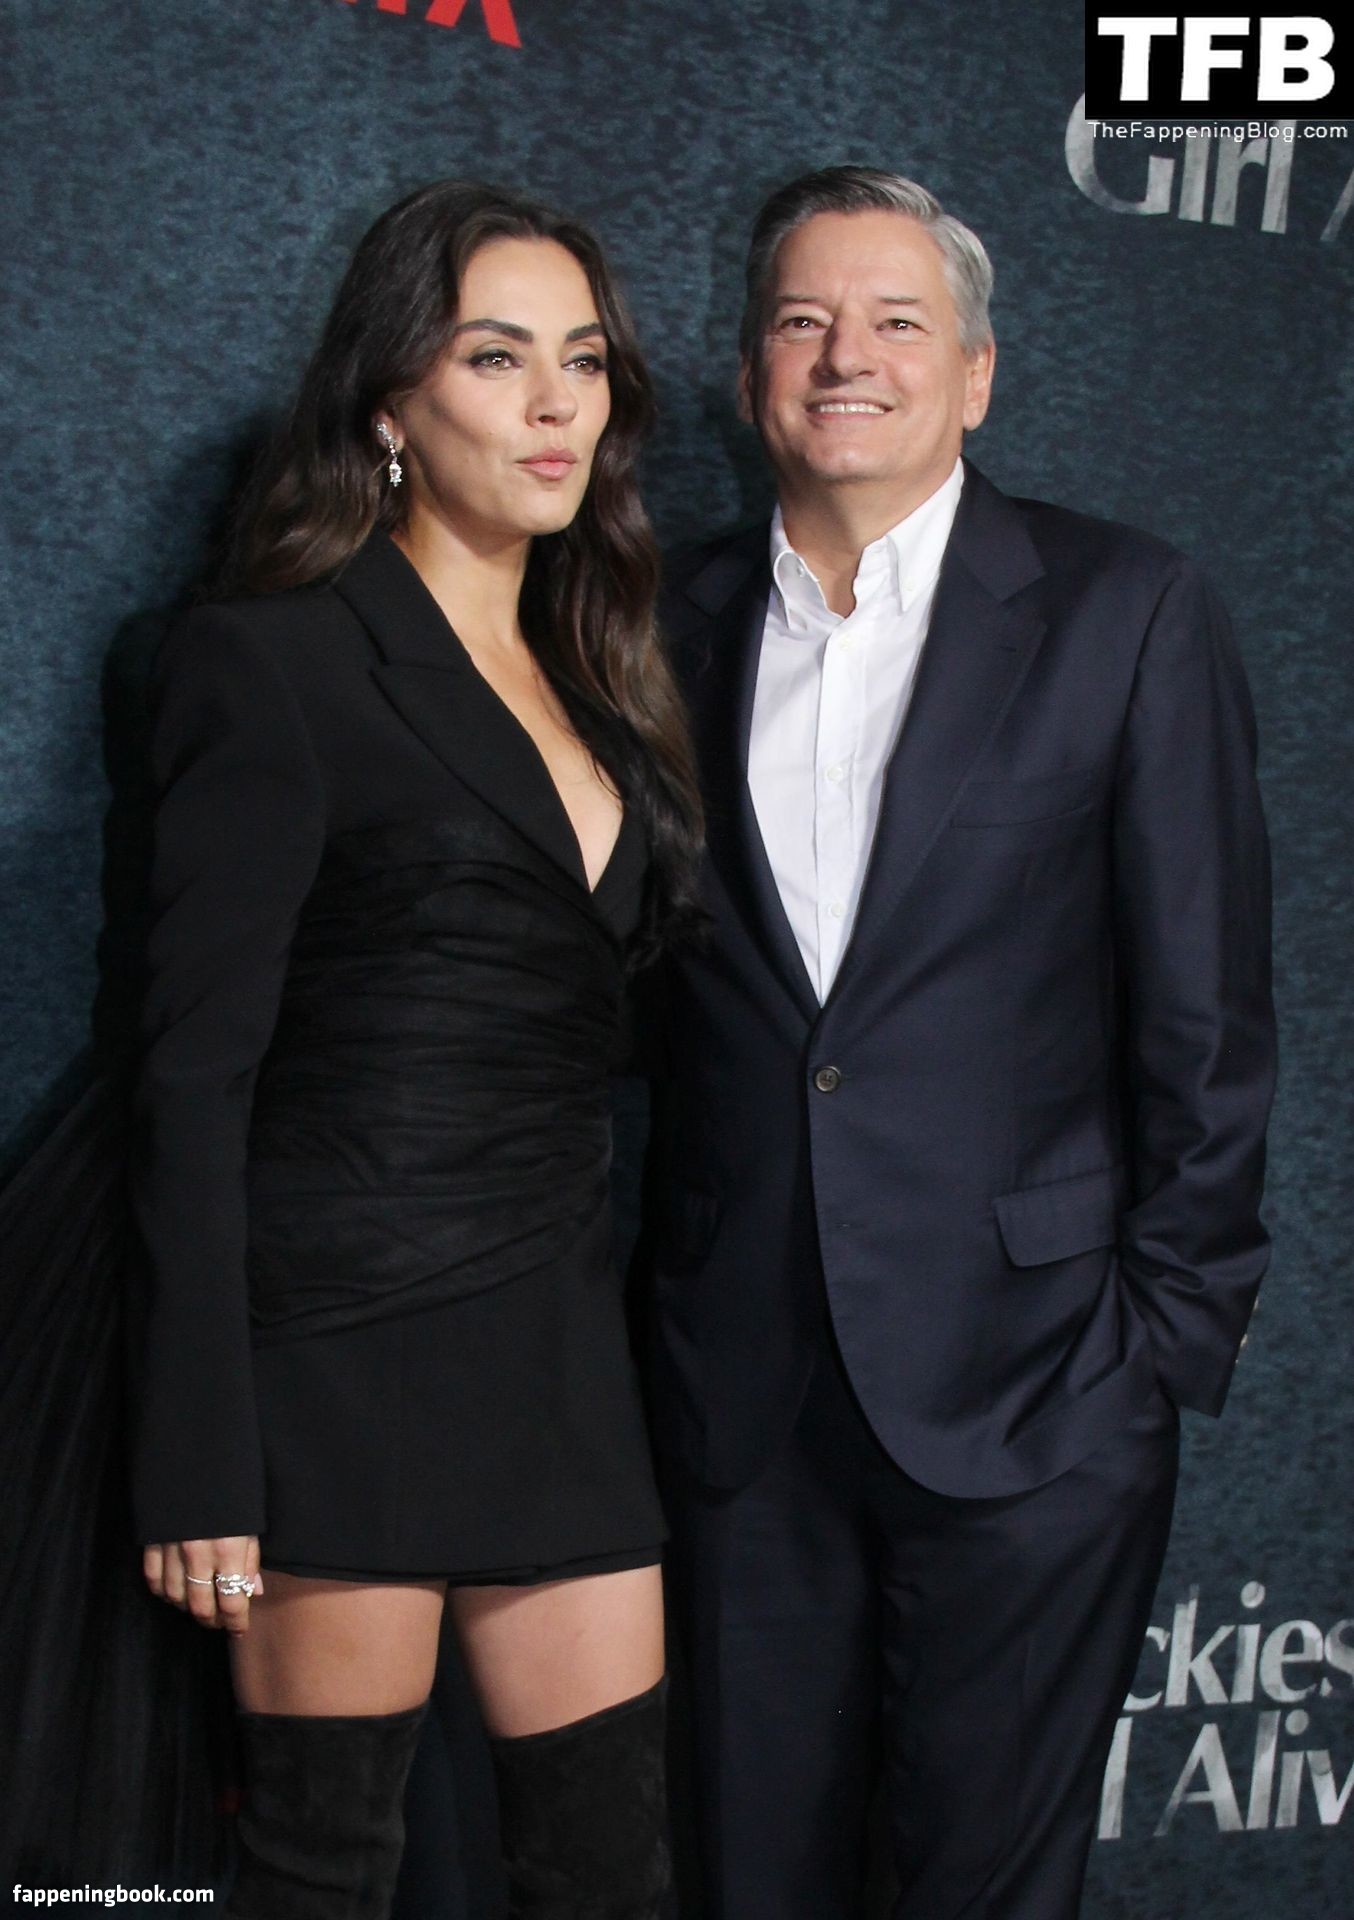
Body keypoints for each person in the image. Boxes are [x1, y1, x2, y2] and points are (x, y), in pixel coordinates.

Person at [649, 166, 1275, 1919]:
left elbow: (1208, 1018)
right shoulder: (648, 624)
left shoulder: (1123, 609)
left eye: (895, 321)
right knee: (744, 1883)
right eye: (801, 321)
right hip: (738, 1399)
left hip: (1040, 1392)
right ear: (750, 371)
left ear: (976, 374)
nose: (845, 357)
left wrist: (1155, 1346)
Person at [125, 179, 700, 1916]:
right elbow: (190, 1077)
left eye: (582, 361)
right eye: (494, 357)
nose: (552, 405)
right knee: (323, 1874)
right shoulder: (273, 663)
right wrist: (199, 1448)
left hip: (555, 1344)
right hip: (336, 1353)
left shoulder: (607, 678)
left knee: (609, 1874)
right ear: (390, 401)